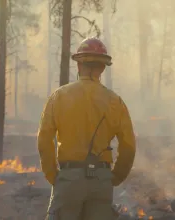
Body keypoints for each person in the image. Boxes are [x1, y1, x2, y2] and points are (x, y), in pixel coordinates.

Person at [37, 37, 136, 220]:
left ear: (79, 64)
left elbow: (44, 140)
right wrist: (114, 177)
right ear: (103, 68)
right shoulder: (115, 101)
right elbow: (128, 146)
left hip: (69, 179)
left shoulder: (59, 97)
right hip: (101, 181)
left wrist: (55, 176)